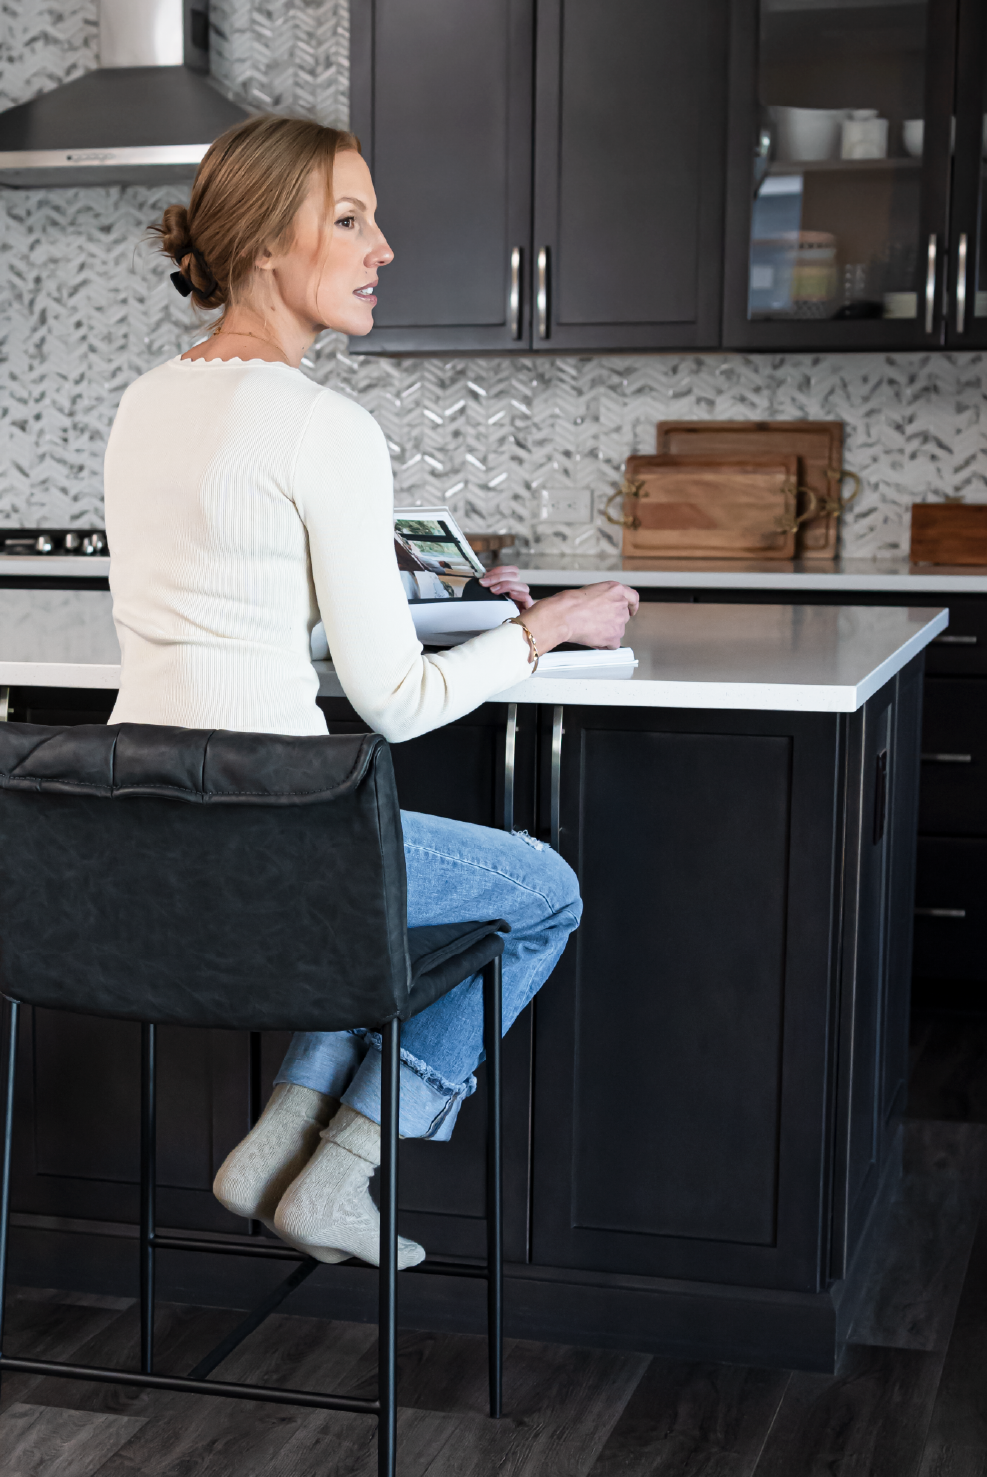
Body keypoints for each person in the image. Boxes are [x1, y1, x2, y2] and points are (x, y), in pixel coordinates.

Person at [103, 114, 636, 1268]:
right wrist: (545, 629)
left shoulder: (146, 402)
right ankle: (344, 1163)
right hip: (276, 851)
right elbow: (391, 701)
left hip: (138, 848)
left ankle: (279, 1135)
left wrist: (435, 604)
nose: (382, 246)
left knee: (369, 877)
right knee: (539, 893)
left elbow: (235, 613)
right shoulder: (323, 425)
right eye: (350, 221)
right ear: (258, 245)